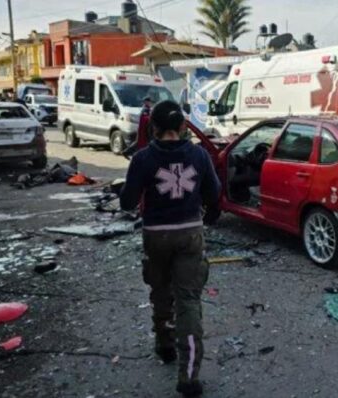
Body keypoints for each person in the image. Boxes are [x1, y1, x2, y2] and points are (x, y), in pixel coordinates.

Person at [120, 100, 220, 397]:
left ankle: (165, 346)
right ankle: (188, 377)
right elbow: (214, 194)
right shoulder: (200, 156)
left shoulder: (142, 158)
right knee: (189, 301)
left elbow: (127, 202)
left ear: (153, 128)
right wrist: (206, 212)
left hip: (156, 236)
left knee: (160, 293)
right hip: (189, 233)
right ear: (182, 127)